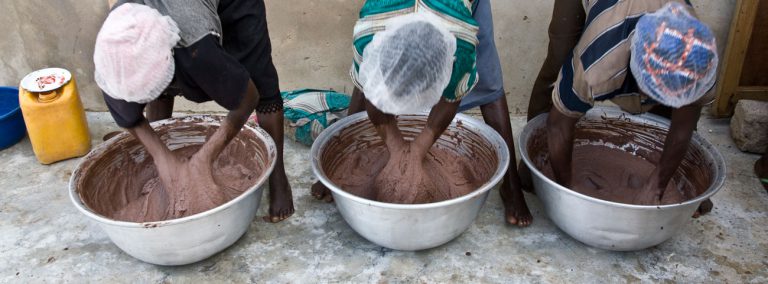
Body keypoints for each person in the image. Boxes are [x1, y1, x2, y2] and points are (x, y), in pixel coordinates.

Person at [310, 0, 532, 227]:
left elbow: (451, 97)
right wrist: (396, 146)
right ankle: (338, 165)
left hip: (454, 11)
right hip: (388, 13)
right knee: (369, 82)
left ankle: (511, 184)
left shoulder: (461, 48)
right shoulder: (367, 38)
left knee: (489, 79)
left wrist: (419, 147)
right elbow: (369, 89)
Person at [94, 0, 294, 223]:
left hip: (228, 7)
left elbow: (248, 98)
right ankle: (162, 157)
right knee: (150, 88)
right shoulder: (114, 51)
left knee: (259, 75)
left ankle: (278, 178)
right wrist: (162, 158)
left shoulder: (196, 48)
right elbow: (128, 115)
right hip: (173, 26)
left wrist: (204, 158)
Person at [544, 1, 718, 210]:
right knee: (557, 63)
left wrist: (656, 187)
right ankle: (531, 172)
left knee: (676, 110)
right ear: (638, 76)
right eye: (659, 94)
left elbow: (683, 127)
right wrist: (568, 189)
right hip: (612, 24)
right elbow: (558, 125)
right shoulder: (596, 69)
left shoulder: (698, 63)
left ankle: (687, 182)